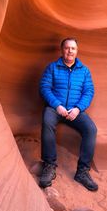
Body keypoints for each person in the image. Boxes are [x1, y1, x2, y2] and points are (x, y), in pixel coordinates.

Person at [39, 37, 98, 191]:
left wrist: (78, 108)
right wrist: (57, 105)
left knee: (91, 129)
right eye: (67, 48)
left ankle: (82, 171)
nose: (70, 51)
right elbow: (45, 87)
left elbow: (89, 91)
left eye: (73, 48)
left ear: (76, 51)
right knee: (47, 121)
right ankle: (49, 165)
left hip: (75, 110)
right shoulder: (52, 68)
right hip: (55, 108)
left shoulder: (84, 71)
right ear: (62, 50)